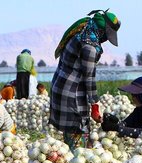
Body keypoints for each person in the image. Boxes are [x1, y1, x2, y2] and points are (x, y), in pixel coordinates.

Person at [49, 9, 121, 151]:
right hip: (72, 94)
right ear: (103, 31)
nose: (106, 39)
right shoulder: (90, 47)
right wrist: (95, 106)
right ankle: (74, 160)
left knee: (72, 135)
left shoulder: (83, 28)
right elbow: (89, 77)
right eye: (107, 36)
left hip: (60, 86)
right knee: (78, 137)